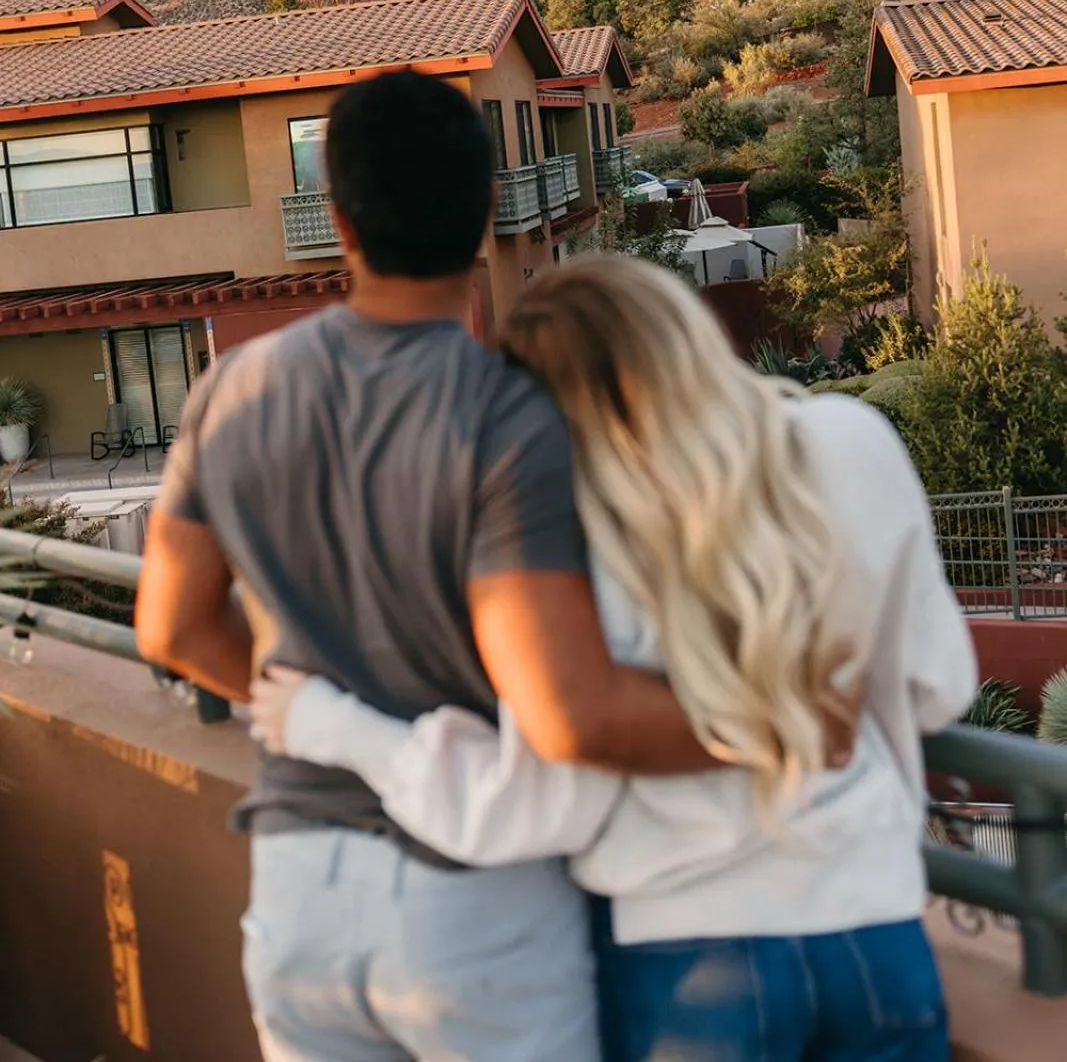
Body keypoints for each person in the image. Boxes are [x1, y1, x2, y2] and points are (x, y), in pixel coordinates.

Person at [251, 253, 978, 1062]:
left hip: (685, 958)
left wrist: (330, 726)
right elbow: (937, 688)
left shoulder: (572, 533)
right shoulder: (850, 440)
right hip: (872, 932)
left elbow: (529, 802)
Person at [135, 70, 725, 1062]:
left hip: (299, 891)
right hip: (471, 897)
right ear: (488, 209)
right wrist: (778, 726)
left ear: (338, 224)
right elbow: (568, 711)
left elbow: (171, 626)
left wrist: (311, 707)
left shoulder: (231, 390)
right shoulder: (506, 415)